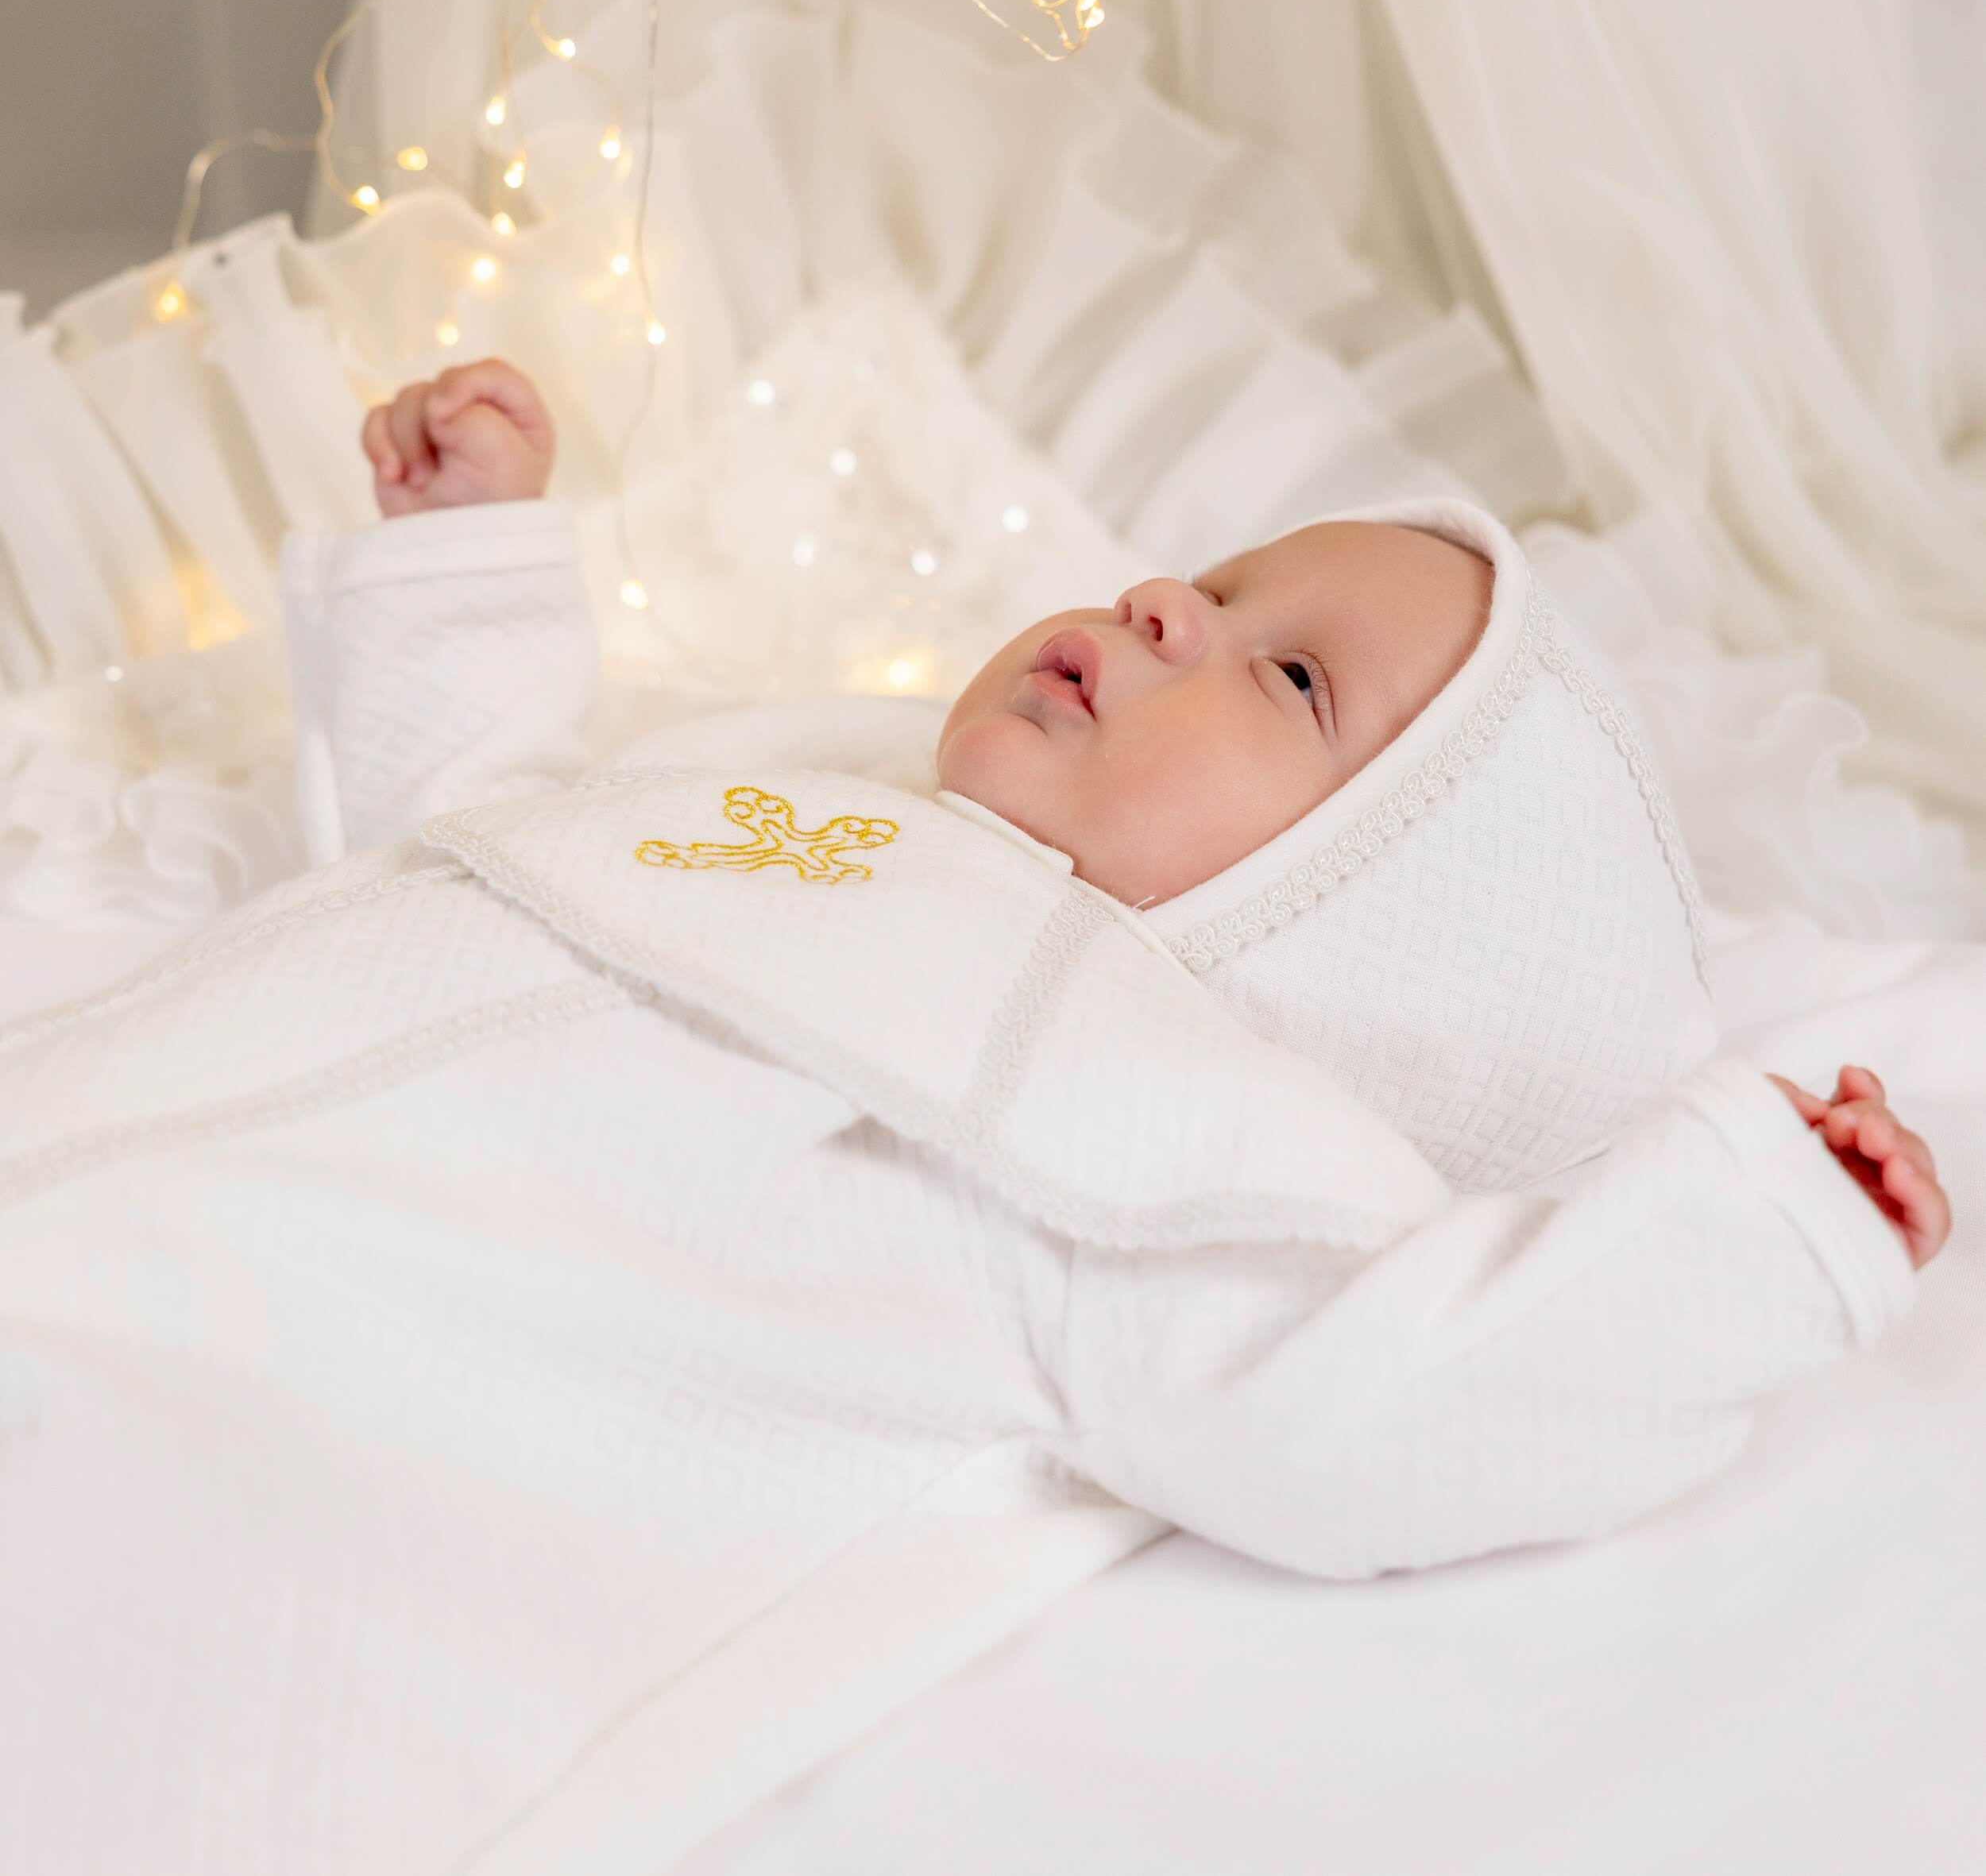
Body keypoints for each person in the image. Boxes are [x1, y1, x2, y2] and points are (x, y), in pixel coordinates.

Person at [0, 358, 1949, 1874]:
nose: (1167, 604)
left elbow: (1375, 1402)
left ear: (1362, 920)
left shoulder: (1158, 1114)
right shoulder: (821, 789)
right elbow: (484, 829)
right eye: (1217, 576)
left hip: (264, 1390)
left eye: (1285, 672)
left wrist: (1744, 1233)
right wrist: (464, 566)